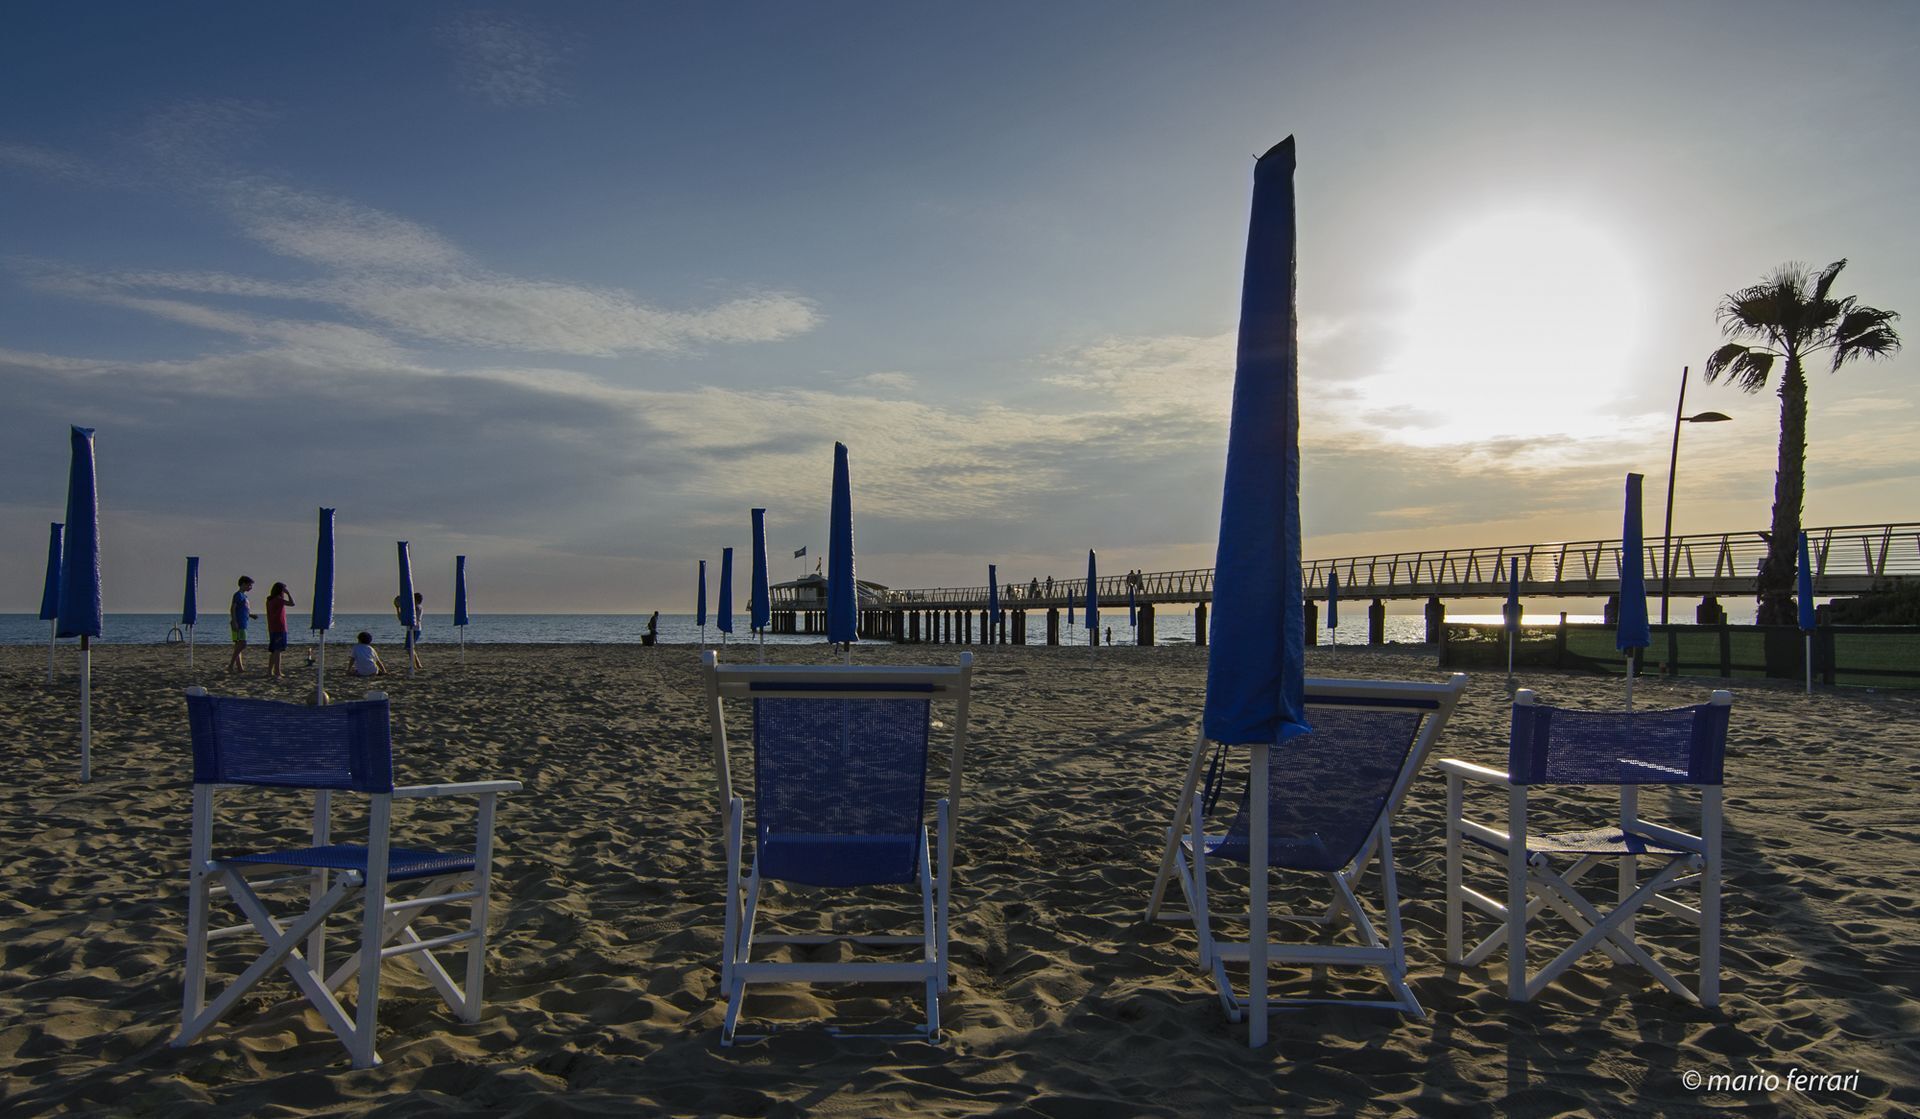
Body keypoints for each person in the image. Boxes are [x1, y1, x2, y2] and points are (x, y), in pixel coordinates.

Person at [265, 582, 296, 679]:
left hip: (272, 628)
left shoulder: (269, 600)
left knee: (274, 650)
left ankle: (270, 671)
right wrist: (288, 593)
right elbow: (292, 603)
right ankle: (277, 671)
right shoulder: (278, 600)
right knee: (278, 650)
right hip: (279, 627)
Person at [226, 576, 256, 674]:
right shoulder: (238, 595)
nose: (250, 587)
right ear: (243, 584)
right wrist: (234, 621)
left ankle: (239, 667)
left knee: (238, 645)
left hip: (244, 622)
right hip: (239, 623)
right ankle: (231, 665)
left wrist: (251, 615)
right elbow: (233, 608)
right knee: (242, 644)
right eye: (249, 585)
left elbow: (243, 610)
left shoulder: (245, 597)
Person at [394, 592, 424, 670]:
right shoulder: (413, 607)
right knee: (410, 647)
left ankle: (414, 664)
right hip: (412, 629)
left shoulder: (418, 607)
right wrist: (397, 608)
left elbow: (413, 609)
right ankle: (417, 664)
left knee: (409, 647)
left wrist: (401, 604)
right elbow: (401, 618)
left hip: (415, 629)